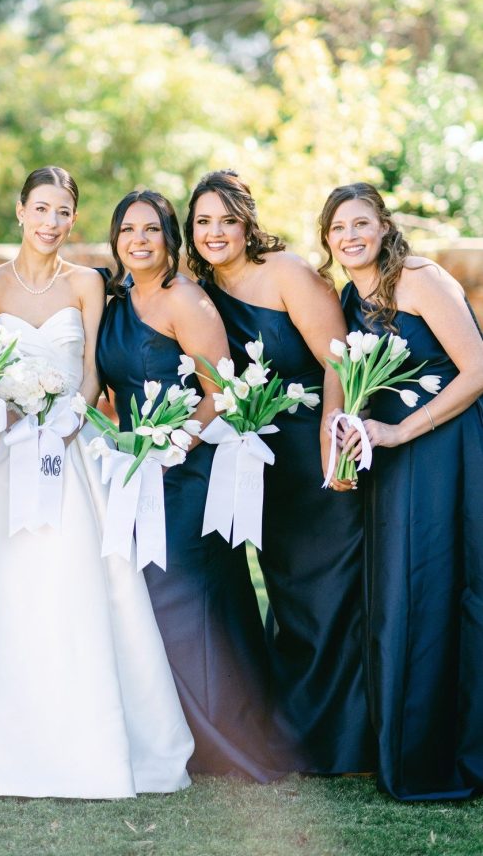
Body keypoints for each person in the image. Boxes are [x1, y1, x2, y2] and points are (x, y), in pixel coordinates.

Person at [0, 167, 193, 799]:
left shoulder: (88, 282)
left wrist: (68, 416)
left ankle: (93, 736)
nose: (51, 222)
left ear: (73, 219)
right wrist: (10, 414)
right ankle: (14, 737)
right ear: (21, 210)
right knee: (11, 585)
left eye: (63, 212)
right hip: (8, 450)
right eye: (41, 209)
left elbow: (92, 373)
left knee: (84, 582)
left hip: (70, 445)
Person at [185, 170, 374, 774]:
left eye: (227, 220)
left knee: (332, 596)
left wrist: (333, 436)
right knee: (291, 597)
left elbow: (341, 357)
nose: (216, 233)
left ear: (248, 223)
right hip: (258, 465)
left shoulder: (287, 273)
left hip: (317, 456)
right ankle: (299, 736)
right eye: (203, 222)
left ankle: (348, 743)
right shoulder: (199, 291)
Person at [96, 189, 278, 782]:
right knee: (147, 598)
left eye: (152, 230)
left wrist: (178, 441)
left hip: (187, 470)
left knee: (188, 599)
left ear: (170, 239)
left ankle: (231, 740)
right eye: (128, 229)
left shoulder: (186, 299)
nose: (139, 240)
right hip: (135, 470)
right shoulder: (115, 299)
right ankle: (174, 732)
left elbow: (221, 391)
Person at [320, 182, 483, 800]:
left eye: (361, 223)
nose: (350, 236)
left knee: (440, 590)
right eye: (338, 228)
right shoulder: (350, 294)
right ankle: (406, 750)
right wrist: (346, 433)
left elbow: (477, 370)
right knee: (399, 593)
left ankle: (449, 756)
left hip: (445, 449)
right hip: (388, 456)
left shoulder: (422, 279)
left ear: (384, 227)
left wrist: (398, 431)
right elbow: (345, 377)